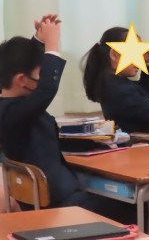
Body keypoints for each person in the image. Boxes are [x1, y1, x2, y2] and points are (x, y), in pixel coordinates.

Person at [0, 15, 134, 222]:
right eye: (41, 73)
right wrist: (52, 45)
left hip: (53, 197)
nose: (43, 76)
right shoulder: (14, 112)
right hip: (59, 205)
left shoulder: (12, 105)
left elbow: (24, 65)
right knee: (133, 207)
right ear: (21, 80)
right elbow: (46, 89)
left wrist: (38, 40)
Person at [83, 26, 149, 135]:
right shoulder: (121, 90)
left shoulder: (114, 83)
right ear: (114, 55)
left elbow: (146, 89)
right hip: (140, 144)